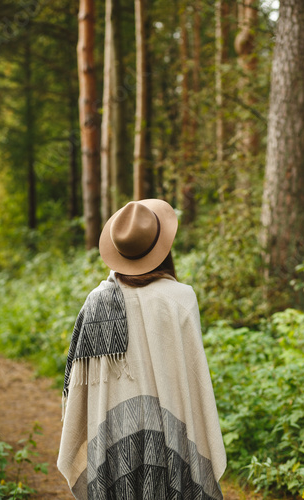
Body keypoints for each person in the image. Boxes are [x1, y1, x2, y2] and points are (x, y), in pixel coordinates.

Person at [57, 199, 226, 500]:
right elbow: (191, 379)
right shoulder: (180, 298)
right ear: (162, 247)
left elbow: (78, 389)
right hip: (168, 433)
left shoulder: (96, 302)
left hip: (110, 435)